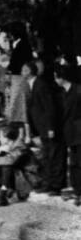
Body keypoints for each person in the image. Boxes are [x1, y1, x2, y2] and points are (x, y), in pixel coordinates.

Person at [23, 61, 62, 196]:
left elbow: (49, 106)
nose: (22, 72)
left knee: (53, 155)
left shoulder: (41, 85)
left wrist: (51, 127)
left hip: (48, 127)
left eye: (25, 70)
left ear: (31, 71)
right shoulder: (31, 85)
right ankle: (49, 183)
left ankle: (55, 185)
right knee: (47, 156)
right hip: (41, 127)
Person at [53, 65, 81, 205]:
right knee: (74, 164)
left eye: (55, 76)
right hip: (70, 133)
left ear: (61, 77)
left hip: (79, 132)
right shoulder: (62, 94)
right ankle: (77, 192)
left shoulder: (77, 91)